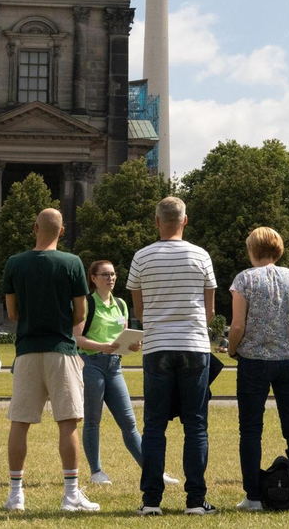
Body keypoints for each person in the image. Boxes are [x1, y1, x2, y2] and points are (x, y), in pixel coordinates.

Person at [3, 208, 99, 513]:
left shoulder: (15, 263)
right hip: (62, 349)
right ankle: (70, 493)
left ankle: (15, 494)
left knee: (20, 422)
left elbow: (12, 313)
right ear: (62, 231)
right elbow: (81, 313)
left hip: (28, 349)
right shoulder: (72, 263)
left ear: (35, 228)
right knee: (67, 422)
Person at [127, 196, 217, 516]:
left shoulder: (142, 257)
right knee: (196, 425)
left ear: (156, 222)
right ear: (185, 221)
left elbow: (139, 310)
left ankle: (151, 500)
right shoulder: (201, 256)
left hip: (157, 346)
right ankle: (195, 500)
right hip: (194, 345)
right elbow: (209, 311)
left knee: (154, 425)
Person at [228, 227, 289, 511]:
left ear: (252, 249)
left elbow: (238, 325)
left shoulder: (244, 280)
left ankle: (253, 497)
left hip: (254, 360)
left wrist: (231, 348)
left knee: (251, 430)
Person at [74, 260, 179, 487]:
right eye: (104, 275)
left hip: (114, 366)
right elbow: (77, 338)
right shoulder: (86, 303)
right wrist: (102, 347)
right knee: (93, 420)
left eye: (112, 274)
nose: (110, 278)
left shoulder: (120, 304)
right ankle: (97, 472)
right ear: (93, 278)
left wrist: (132, 345)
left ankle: (153, 472)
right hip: (91, 364)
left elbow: (124, 336)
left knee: (129, 422)